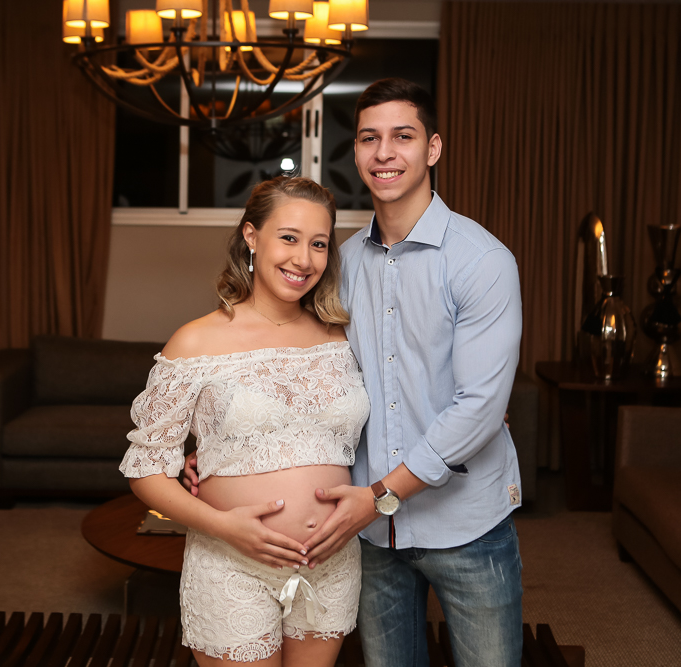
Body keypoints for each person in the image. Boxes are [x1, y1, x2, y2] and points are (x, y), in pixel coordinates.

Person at [186, 78, 524, 666]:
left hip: (464, 524)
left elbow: (480, 408)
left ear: (433, 148)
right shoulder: (335, 264)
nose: (384, 152)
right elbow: (293, 367)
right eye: (370, 138)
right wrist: (219, 450)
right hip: (368, 537)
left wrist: (380, 495)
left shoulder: (482, 262)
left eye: (403, 136)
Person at [119, 176, 370, 666]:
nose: (304, 259)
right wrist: (224, 525)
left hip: (332, 561)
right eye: (289, 238)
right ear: (252, 236)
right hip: (231, 563)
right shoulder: (195, 342)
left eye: (319, 244)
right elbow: (145, 470)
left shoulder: (345, 337)